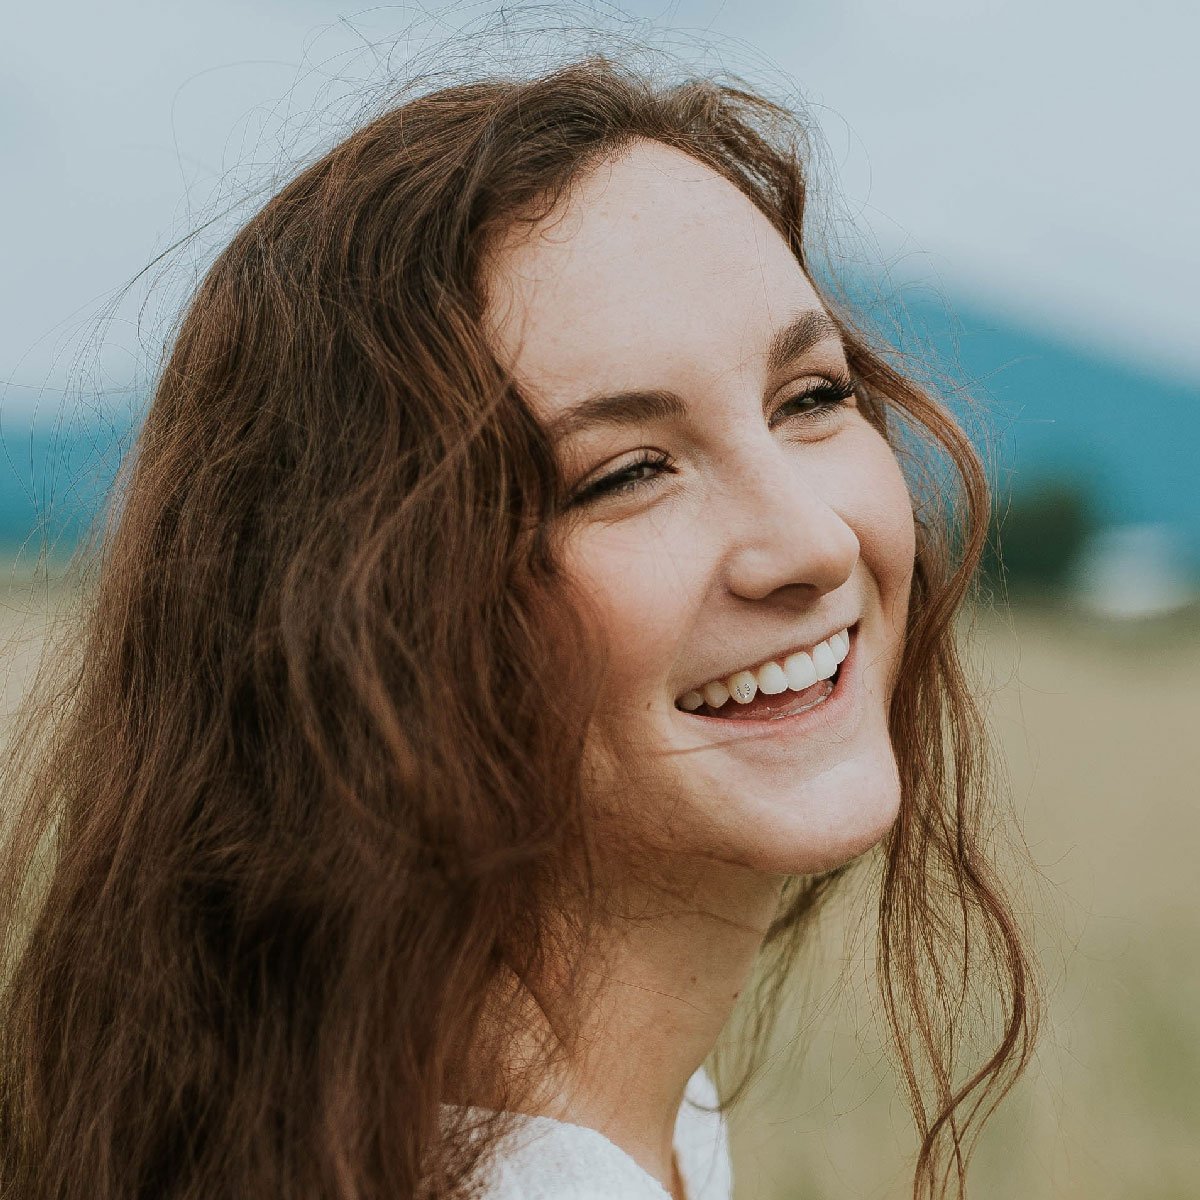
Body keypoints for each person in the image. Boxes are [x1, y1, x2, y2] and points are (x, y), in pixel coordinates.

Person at [0, 52, 1038, 1200]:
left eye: (812, 397)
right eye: (629, 472)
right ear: (370, 627)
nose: (812, 544)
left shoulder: (603, 1131)